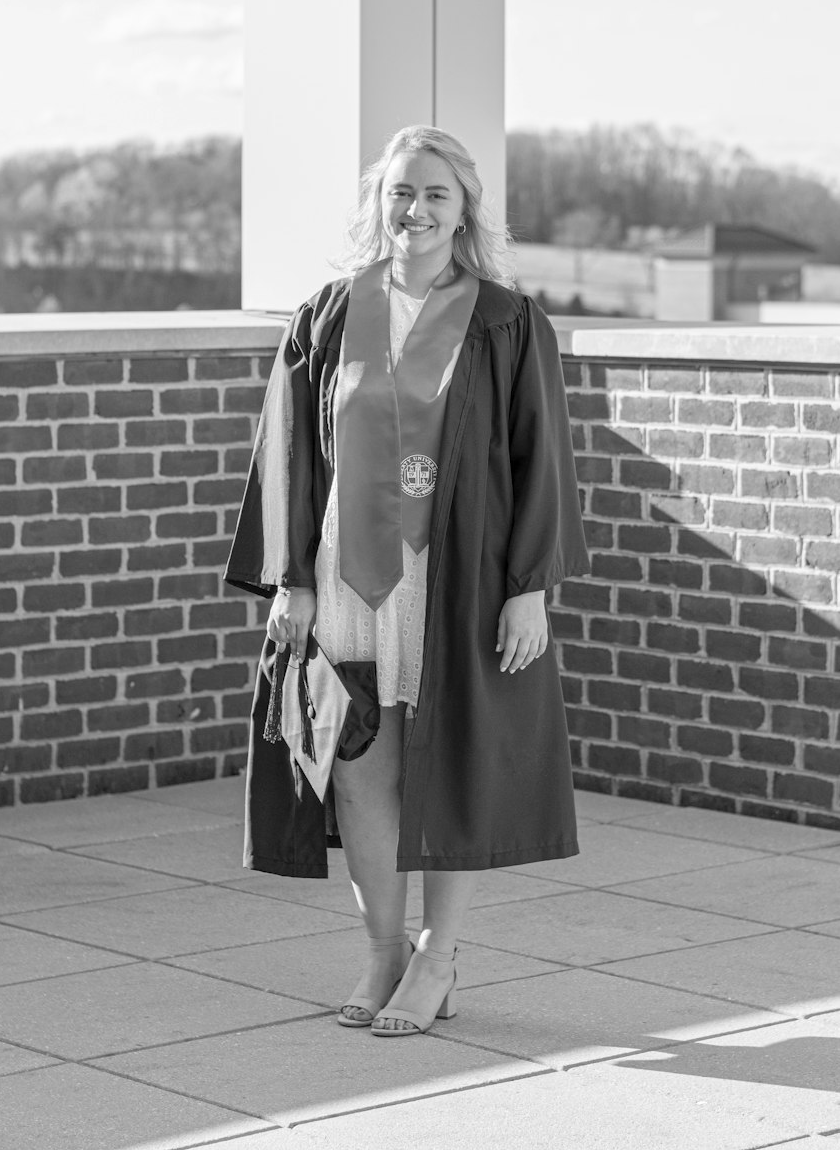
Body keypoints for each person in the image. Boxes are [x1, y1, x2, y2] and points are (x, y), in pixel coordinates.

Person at [225, 124, 589, 1037]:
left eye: (434, 193)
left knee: (454, 765)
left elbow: (542, 456)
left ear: (464, 208)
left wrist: (530, 584)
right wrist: (290, 580)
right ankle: (383, 951)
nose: (414, 210)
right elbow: (289, 457)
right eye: (399, 193)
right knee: (358, 766)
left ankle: (438, 957)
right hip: (350, 570)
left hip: (455, 571)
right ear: (376, 204)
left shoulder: (505, 320)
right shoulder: (327, 313)